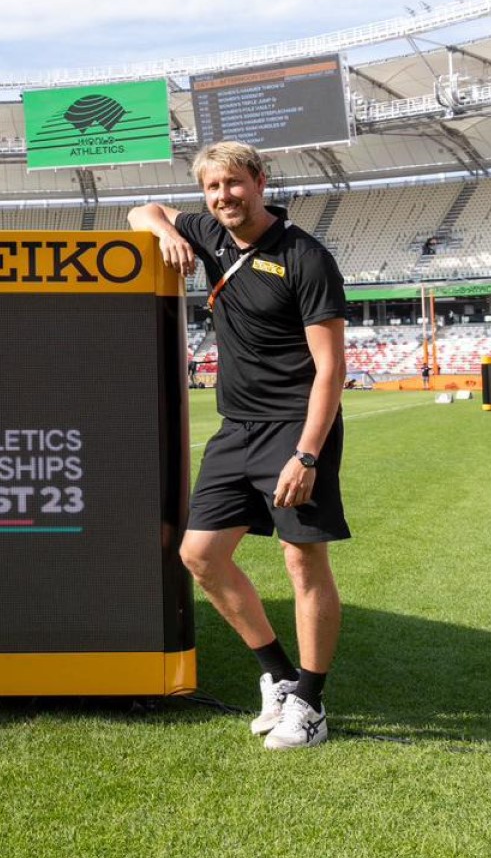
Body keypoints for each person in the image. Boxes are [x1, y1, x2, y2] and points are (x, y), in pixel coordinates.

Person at [129, 141, 349, 750]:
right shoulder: (211, 233)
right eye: (211, 188)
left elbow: (330, 369)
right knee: (199, 555)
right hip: (236, 429)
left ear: (259, 181)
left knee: (303, 561)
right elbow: (142, 210)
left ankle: (311, 701)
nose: (223, 196)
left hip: (295, 428)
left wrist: (306, 455)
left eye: (233, 183)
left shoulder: (306, 256)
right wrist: (163, 232)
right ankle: (278, 677)